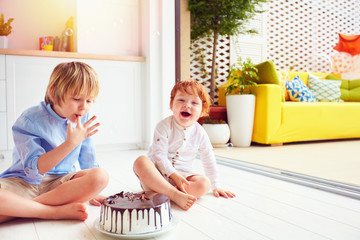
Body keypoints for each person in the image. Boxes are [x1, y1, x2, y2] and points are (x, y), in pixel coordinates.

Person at [0, 62, 109, 223]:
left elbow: (89, 163)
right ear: (53, 93)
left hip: (61, 184)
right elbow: (35, 170)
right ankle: (50, 212)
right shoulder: (29, 120)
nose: (83, 107)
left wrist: (91, 190)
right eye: (77, 98)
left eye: (89, 100)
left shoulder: (82, 119)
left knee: (101, 177)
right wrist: (70, 144)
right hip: (23, 182)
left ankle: (22, 209)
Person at [133, 79, 235, 211]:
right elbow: (159, 156)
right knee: (140, 161)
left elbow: (208, 158)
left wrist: (216, 185)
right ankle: (173, 194)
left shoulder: (200, 133)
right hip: (156, 176)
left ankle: (161, 195)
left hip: (183, 178)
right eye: (181, 100)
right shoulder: (163, 126)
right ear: (171, 104)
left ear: (203, 110)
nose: (187, 105)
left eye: (194, 102)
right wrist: (173, 175)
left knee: (204, 184)